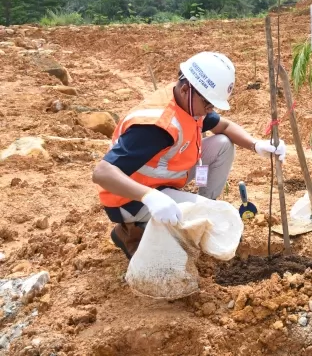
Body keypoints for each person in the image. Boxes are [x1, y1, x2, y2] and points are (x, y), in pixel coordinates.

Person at [92, 52, 286, 259]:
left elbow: (225, 126)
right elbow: (102, 173)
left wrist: (256, 144)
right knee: (190, 238)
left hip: (164, 179)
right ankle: (132, 229)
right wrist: (150, 197)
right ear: (186, 89)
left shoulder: (188, 102)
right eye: (208, 104)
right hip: (129, 199)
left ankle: (198, 210)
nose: (208, 111)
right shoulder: (155, 128)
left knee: (223, 144)